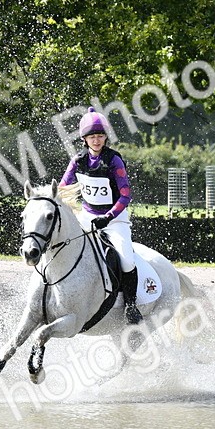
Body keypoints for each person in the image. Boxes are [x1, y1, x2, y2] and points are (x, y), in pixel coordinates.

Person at [60, 107, 142, 324]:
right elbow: (62, 187)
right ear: (84, 139)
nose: (96, 140)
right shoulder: (78, 161)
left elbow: (125, 196)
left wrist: (108, 217)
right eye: (92, 137)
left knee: (126, 259)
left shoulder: (114, 160)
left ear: (106, 137)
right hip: (87, 216)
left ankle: (131, 307)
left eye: (100, 136)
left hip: (115, 219)